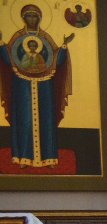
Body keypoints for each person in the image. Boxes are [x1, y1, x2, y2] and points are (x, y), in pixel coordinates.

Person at [0, 4, 74, 168]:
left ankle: (49, 158)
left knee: (47, 119)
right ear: (23, 18)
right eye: (29, 16)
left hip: (44, 84)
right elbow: (9, 60)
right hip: (22, 83)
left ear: (39, 18)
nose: (32, 19)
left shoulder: (45, 38)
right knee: (24, 119)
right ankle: (23, 157)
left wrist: (63, 46)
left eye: (35, 16)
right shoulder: (18, 37)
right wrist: (1, 44)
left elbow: (56, 61)